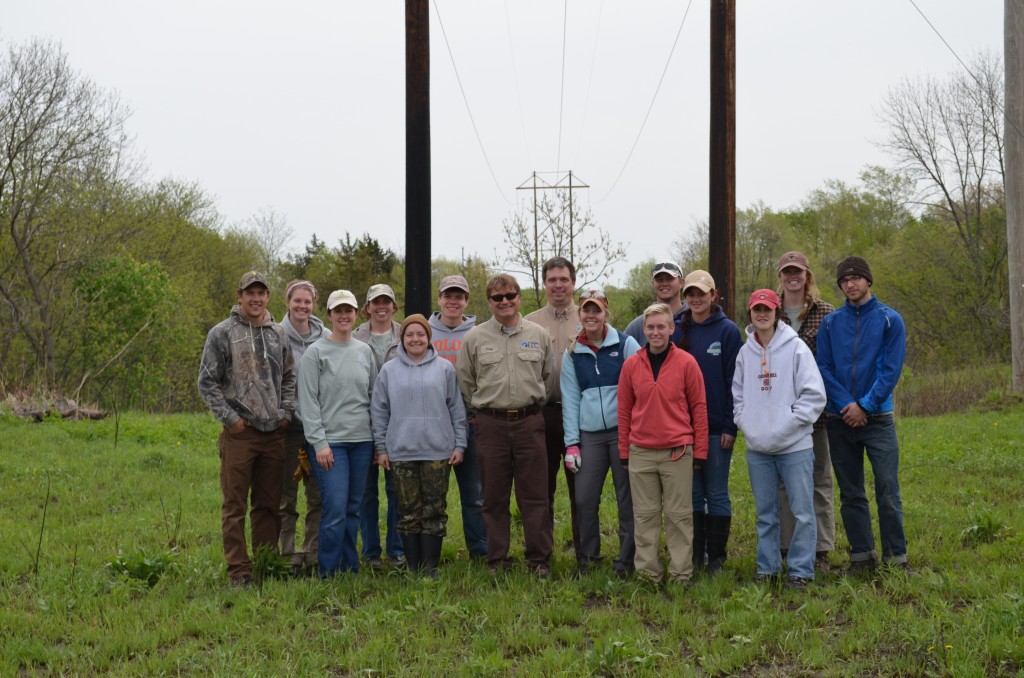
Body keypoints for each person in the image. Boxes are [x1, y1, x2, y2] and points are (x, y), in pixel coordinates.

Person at [198, 271, 295, 587]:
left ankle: (266, 563)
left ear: (268, 297)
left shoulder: (278, 334)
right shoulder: (221, 333)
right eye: (249, 293)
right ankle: (239, 570)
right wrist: (231, 421)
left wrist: (285, 414)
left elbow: (290, 377)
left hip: (273, 433)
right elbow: (207, 383)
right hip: (240, 434)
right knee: (234, 506)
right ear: (239, 296)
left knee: (268, 505)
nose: (255, 298)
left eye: (261, 293)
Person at [456, 273, 555, 578]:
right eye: (498, 298)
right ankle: (497, 559)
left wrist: (530, 406)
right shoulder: (475, 338)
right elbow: (466, 381)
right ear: (489, 302)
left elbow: (548, 379)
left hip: (529, 423)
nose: (505, 302)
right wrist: (484, 410)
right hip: (491, 425)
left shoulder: (538, 335)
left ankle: (539, 560)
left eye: (510, 296)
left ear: (519, 297)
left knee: (535, 495)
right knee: (494, 496)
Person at [817, 256, 910, 572]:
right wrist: (847, 406)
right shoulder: (831, 322)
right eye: (844, 280)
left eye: (856, 277)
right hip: (839, 418)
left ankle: (896, 559)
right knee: (851, 492)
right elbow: (824, 368)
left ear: (868, 281)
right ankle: (862, 558)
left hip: (878, 418)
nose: (850, 284)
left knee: (887, 489)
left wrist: (865, 406)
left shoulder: (890, 320)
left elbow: (890, 370)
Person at [733, 289, 826, 589]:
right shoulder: (745, 353)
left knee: (802, 512)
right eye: (757, 309)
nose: (762, 314)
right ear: (750, 313)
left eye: (767, 309)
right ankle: (768, 567)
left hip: (794, 446)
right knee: (766, 514)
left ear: (776, 312)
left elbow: (814, 396)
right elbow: (738, 398)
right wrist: (748, 425)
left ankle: (800, 570)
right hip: (758, 448)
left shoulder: (796, 349)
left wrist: (790, 424)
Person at [618, 303, 708, 585]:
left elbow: (699, 408)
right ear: (644, 330)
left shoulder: (686, 363)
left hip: (677, 452)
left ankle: (681, 575)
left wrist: (700, 450)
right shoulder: (632, 364)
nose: (656, 332)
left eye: (661, 327)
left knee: (679, 517)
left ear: (672, 328)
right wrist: (624, 451)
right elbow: (624, 410)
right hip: (641, 452)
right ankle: (648, 574)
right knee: (645, 517)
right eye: (651, 327)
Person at [371, 314, 467, 578]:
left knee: (434, 509)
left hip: (438, 451)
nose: (415, 339)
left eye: (421, 334)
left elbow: (456, 409)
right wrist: (381, 448)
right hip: (401, 451)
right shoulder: (389, 370)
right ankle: (413, 566)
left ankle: (431, 567)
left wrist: (460, 444)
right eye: (410, 335)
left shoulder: (445, 368)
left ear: (428, 337)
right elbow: (379, 411)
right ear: (402, 339)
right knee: (408, 511)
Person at [560, 289, 639, 577]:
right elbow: (570, 400)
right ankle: (588, 558)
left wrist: (635, 433)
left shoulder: (626, 344)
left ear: (606, 312)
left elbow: (639, 390)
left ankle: (627, 560)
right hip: (590, 436)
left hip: (623, 433)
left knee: (626, 497)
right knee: (584, 498)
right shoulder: (572, 352)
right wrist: (571, 444)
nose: (591, 316)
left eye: (597, 310)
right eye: (586, 310)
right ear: (579, 314)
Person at [299, 289, 378, 577]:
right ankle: (328, 572)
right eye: (338, 311)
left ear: (357, 314)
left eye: (349, 311)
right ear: (329, 315)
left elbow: (373, 397)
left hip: (362, 442)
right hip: (330, 444)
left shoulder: (364, 351)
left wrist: (377, 443)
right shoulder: (316, 353)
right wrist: (319, 443)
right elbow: (307, 402)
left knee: (353, 508)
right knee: (334, 508)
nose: (344, 316)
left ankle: (350, 568)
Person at [775, 251, 836, 572]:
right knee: (785, 483)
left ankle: (821, 549)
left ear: (807, 275)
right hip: (782, 416)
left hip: (819, 415)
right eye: (787, 272)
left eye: (797, 271)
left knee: (819, 480)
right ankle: (788, 546)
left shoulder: (827, 314)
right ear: (780, 277)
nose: (792, 277)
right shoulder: (770, 312)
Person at [678, 270, 742, 576]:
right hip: (683, 428)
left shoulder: (728, 331)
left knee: (716, 492)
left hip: (718, 427)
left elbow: (735, 380)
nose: (696, 299)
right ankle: (696, 555)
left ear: (713, 295)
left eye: (701, 293)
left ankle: (716, 556)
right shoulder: (678, 329)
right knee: (692, 494)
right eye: (691, 293)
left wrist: (731, 425)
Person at [524, 256, 582, 563]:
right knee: (540, 491)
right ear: (544, 283)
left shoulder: (588, 319)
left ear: (573, 282)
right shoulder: (529, 322)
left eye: (564, 279)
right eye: (552, 280)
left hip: (580, 417)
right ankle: (541, 556)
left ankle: (585, 554)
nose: (558, 285)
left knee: (581, 491)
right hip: (541, 414)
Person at [428, 275, 489, 559]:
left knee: (474, 495)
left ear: (466, 301)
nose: (453, 301)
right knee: (431, 496)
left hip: (470, 423)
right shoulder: (422, 332)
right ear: (439, 299)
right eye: (448, 295)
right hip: (432, 426)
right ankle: (428, 553)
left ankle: (481, 551)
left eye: (459, 296)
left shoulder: (478, 332)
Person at [278, 279, 327, 577]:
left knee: (318, 495)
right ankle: (285, 554)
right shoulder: (275, 335)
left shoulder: (327, 338)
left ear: (314, 304)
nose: (302, 306)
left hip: (319, 429)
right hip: (288, 428)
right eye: (297, 301)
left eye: (307, 301)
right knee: (285, 495)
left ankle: (312, 553)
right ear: (287, 302)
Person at [353, 283, 404, 570]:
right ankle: (371, 552)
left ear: (394, 306)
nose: (381, 306)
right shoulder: (354, 335)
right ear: (368, 307)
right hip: (360, 423)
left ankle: (396, 551)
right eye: (376, 302)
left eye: (387, 301)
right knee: (366, 492)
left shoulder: (406, 334)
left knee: (396, 490)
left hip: (397, 425)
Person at [623, 261, 688, 347]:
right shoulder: (637, 326)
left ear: (681, 282)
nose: (664, 283)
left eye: (669, 278)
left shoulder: (694, 319)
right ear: (652, 283)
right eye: (659, 279)